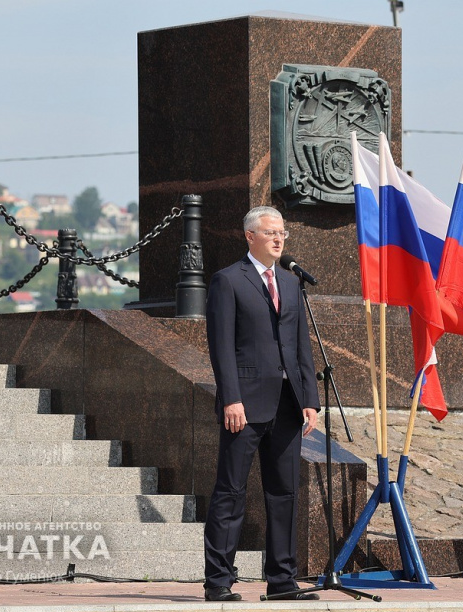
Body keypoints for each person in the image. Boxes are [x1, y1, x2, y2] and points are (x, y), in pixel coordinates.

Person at [203, 206, 320, 602]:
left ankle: (282, 581)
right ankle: (218, 581)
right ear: (249, 236)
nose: (278, 239)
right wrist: (231, 398)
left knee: (284, 493)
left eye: (282, 233)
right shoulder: (228, 281)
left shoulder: (290, 284)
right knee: (231, 492)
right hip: (245, 406)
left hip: (288, 406)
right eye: (270, 232)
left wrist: (310, 400)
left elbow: (300, 346)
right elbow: (220, 347)